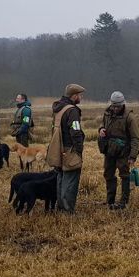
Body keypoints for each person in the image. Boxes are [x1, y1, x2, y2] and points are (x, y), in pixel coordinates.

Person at [46, 84, 86, 214]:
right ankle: (68, 210)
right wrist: (79, 149)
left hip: (58, 148)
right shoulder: (72, 110)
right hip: (70, 149)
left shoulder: (58, 108)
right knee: (70, 181)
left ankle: (61, 207)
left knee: (61, 178)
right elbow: (75, 130)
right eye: (80, 95)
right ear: (74, 96)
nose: (81, 97)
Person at [98, 91, 139, 210]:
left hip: (124, 152)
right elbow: (102, 124)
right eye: (113, 105)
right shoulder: (107, 113)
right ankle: (110, 201)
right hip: (109, 150)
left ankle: (123, 202)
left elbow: (135, 138)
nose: (115, 108)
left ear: (123, 104)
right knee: (108, 174)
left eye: (118, 106)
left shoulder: (130, 117)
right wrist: (101, 129)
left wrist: (132, 156)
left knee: (125, 175)